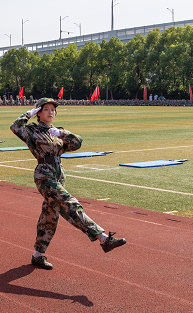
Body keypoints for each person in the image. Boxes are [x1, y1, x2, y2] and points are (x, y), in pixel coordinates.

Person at [10, 98, 126, 270]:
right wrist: (29, 114)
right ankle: (102, 238)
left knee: (49, 216)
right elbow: (15, 127)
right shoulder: (32, 131)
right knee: (71, 204)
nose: (51, 112)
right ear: (39, 113)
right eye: (46, 109)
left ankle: (38, 255)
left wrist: (62, 133)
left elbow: (77, 143)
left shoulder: (57, 132)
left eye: (53, 109)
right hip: (44, 175)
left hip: (58, 175)